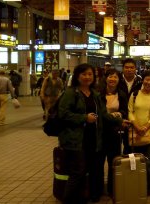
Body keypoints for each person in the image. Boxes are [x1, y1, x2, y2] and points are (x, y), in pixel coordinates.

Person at [58, 63, 128, 203]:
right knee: (77, 172)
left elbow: (103, 114)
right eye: (84, 74)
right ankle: (68, 199)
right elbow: (63, 114)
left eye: (90, 74)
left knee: (88, 169)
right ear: (77, 76)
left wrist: (120, 122)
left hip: (93, 138)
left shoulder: (94, 94)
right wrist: (84, 118)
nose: (87, 77)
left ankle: (84, 196)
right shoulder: (71, 93)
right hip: (76, 140)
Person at [128, 71, 150, 195]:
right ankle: (136, 184)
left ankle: (149, 186)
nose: (148, 82)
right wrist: (136, 125)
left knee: (148, 161)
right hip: (135, 131)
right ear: (143, 80)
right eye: (146, 80)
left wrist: (146, 127)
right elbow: (130, 111)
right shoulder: (135, 94)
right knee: (135, 160)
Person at [99, 68, 128, 196]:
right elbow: (99, 114)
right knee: (98, 162)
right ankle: (97, 190)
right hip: (99, 132)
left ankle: (112, 189)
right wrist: (114, 116)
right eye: (110, 76)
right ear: (105, 78)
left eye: (115, 77)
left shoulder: (121, 94)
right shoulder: (97, 93)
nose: (112, 79)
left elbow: (124, 111)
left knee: (113, 161)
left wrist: (118, 115)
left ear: (118, 79)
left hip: (114, 133)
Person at [118, 58, 143, 154]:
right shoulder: (117, 80)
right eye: (126, 67)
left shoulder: (140, 81)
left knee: (132, 146)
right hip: (120, 116)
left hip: (136, 117)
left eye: (132, 67)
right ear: (123, 68)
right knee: (116, 147)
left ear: (135, 69)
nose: (129, 70)